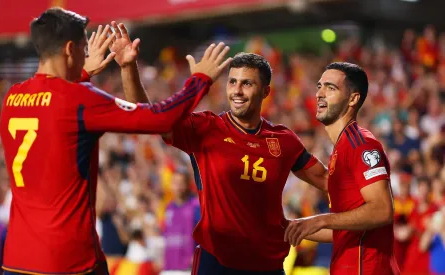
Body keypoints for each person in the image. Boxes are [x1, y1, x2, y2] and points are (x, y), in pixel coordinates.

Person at [0, 8, 232, 275]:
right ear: (70, 48)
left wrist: (82, 75)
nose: (87, 55)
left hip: (17, 259)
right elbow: (159, 119)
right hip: (66, 262)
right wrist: (200, 80)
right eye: (85, 48)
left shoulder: (12, 98)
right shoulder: (78, 99)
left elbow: (54, 111)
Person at [111, 24, 329, 274]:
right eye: (232, 82)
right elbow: (148, 119)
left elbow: (325, 180)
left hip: (267, 265)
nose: (236, 90)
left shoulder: (283, 140)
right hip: (216, 263)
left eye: (246, 84)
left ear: (266, 91)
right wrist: (128, 67)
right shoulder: (205, 127)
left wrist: (356, 212)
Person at [284, 62, 400, 275]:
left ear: (353, 99)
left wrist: (320, 219)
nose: (320, 93)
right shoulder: (341, 148)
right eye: (319, 86)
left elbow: (382, 210)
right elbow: (344, 230)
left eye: (330, 88)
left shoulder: (361, 144)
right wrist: (288, 226)